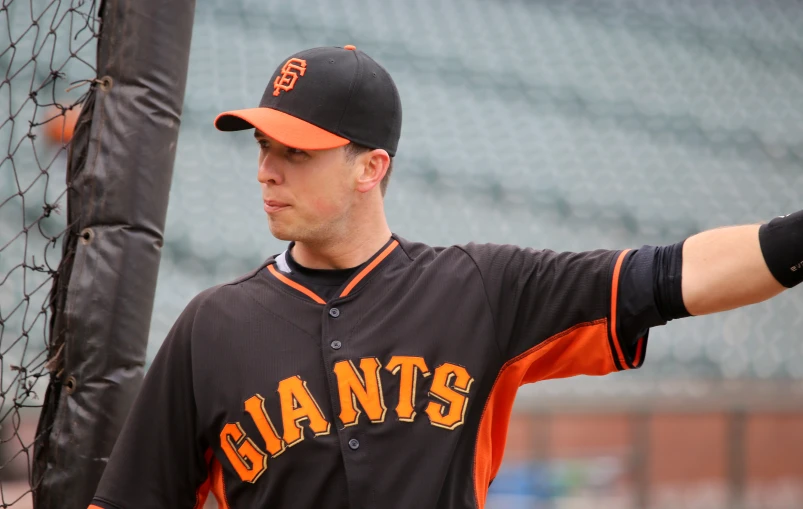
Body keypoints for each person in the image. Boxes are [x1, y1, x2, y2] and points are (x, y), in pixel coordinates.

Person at [88, 45, 802, 509]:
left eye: (296, 152)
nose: (265, 169)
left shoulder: (476, 288)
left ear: (372, 167)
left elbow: (671, 278)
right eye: (266, 146)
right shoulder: (211, 327)